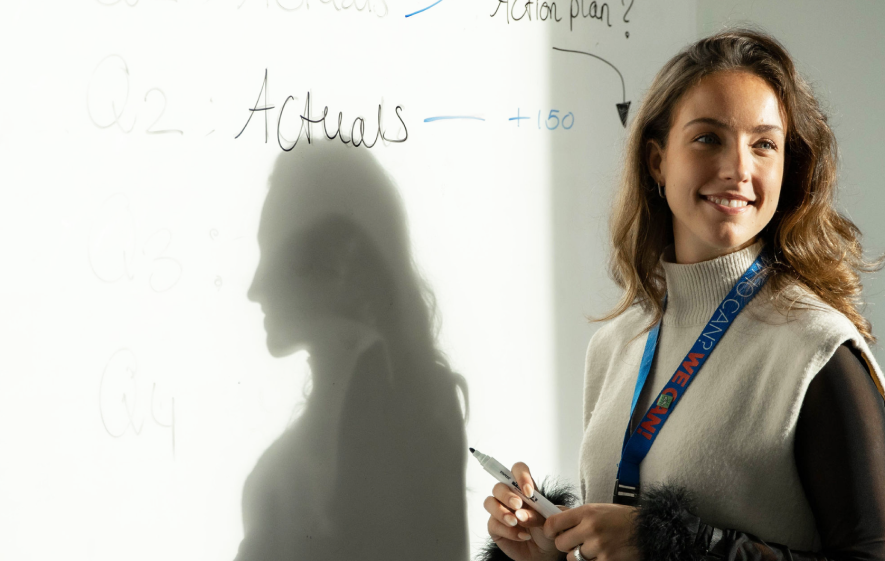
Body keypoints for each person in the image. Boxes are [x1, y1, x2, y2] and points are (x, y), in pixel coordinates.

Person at [479, 29, 885, 561]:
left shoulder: (817, 349)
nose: (739, 168)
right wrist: (551, 546)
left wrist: (678, 546)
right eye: (708, 138)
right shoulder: (615, 346)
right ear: (656, 161)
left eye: (764, 144)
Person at [235, 141, 469, 561]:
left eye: (273, 251)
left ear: (340, 258)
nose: (255, 288)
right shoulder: (401, 407)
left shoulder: (407, 413)